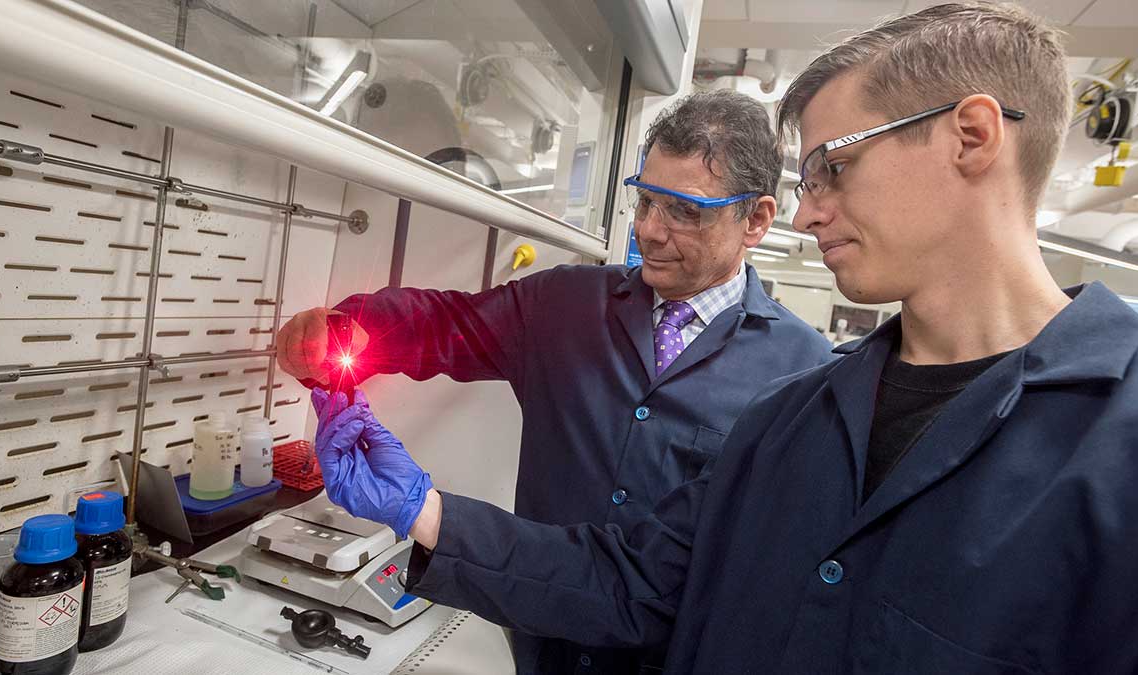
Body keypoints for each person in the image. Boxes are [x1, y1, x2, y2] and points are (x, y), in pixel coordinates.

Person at [309, 3, 1138, 672]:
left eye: (834, 167)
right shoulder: (799, 415)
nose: (812, 212)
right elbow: (637, 580)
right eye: (646, 201)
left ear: (972, 136)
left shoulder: (1117, 444)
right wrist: (421, 506)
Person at [279, 90, 834, 674]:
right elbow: (449, 324)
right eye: (646, 199)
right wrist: (349, 327)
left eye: (683, 211)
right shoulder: (565, 303)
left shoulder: (803, 372)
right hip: (539, 646)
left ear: (756, 220)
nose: (649, 229)